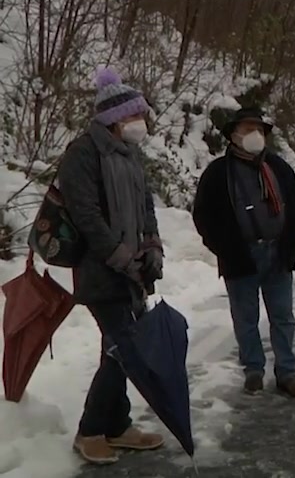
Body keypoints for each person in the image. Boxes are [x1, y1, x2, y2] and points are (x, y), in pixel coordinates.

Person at [59, 67, 165, 464]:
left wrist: (151, 246)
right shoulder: (83, 153)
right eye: (132, 117)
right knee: (123, 348)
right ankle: (89, 431)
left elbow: (146, 205)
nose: (139, 124)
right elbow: (85, 215)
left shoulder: (131, 154)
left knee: (117, 348)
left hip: (133, 273)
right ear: (112, 119)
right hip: (101, 270)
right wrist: (120, 258)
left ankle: (117, 426)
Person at [192, 107, 295, 397]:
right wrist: (225, 249)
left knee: (283, 316)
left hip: (278, 254)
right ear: (233, 135)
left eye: (258, 129)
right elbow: (203, 217)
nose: (254, 135)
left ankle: (287, 371)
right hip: (240, 257)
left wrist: (293, 241)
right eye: (247, 130)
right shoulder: (218, 173)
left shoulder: (278, 167)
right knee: (245, 318)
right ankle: (253, 370)